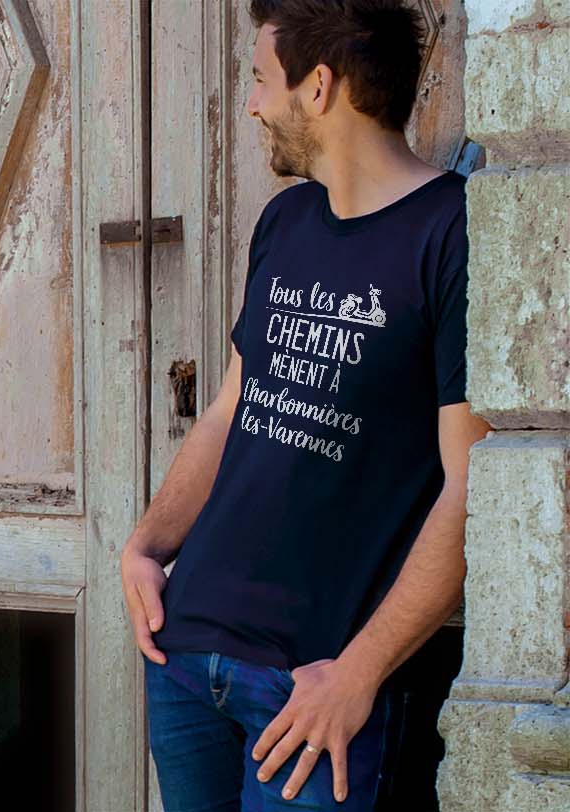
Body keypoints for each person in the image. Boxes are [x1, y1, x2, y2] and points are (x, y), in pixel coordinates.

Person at [120, 1, 490, 810]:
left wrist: (358, 674)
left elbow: (473, 491)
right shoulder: (285, 221)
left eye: (260, 79)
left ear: (318, 86)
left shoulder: (451, 235)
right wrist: (147, 545)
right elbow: (228, 412)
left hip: (312, 692)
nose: (252, 104)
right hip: (187, 663)